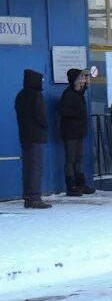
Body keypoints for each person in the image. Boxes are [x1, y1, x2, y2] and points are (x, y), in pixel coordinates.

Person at [14, 69, 51, 209]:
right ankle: (35, 197)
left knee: (28, 167)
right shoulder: (36, 95)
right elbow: (40, 116)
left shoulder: (21, 95)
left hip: (24, 135)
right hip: (37, 136)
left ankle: (28, 197)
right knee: (36, 166)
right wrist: (46, 126)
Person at [59, 68, 94, 197]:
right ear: (75, 80)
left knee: (79, 158)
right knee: (70, 159)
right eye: (81, 78)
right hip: (70, 132)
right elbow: (63, 111)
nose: (84, 80)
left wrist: (87, 76)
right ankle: (71, 186)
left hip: (79, 131)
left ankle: (80, 184)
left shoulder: (79, 93)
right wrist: (77, 114)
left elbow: (86, 86)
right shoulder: (68, 94)